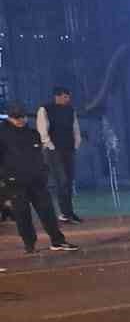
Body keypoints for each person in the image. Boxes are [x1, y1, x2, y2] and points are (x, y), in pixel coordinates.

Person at [0, 103, 78, 252]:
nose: (20, 120)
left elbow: (40, 156)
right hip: (14, 182)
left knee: (47, 211)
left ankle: (58, 241)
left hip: (36, 180)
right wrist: (5, 179)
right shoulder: (2, 135)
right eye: (16, 117)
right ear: (9, 117)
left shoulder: (32, 134)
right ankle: (29, 244)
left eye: (22, 116)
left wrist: (43, 172)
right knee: (23, 215)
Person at [37, 87, 83, 223]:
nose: (67, 99)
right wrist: (50, 146)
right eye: (65, 97)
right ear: (57, 96)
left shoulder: (70, 110)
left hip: (68, 149)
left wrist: (76, 144)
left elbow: (75, 128)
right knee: (61, 181)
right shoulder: (45, 109)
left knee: (69, 181)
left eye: (68, 97)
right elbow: (42, 130)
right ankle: (64, 213)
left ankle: (69, 212)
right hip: (53, 150)